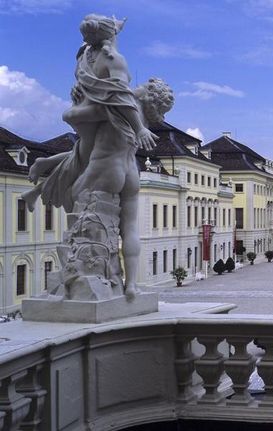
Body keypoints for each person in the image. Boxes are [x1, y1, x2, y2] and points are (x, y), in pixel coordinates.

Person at [24, 15, 173, 298]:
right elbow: (83, 149)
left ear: (144, 93)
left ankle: (81, 276)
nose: (133, 86)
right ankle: (129, 284)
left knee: (79, 212)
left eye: (141, 87)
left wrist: (84, 100)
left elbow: (78, 127)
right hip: (130, 172)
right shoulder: (126, 110)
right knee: (129, 227)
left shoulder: (115, 107)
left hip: (106, 169)